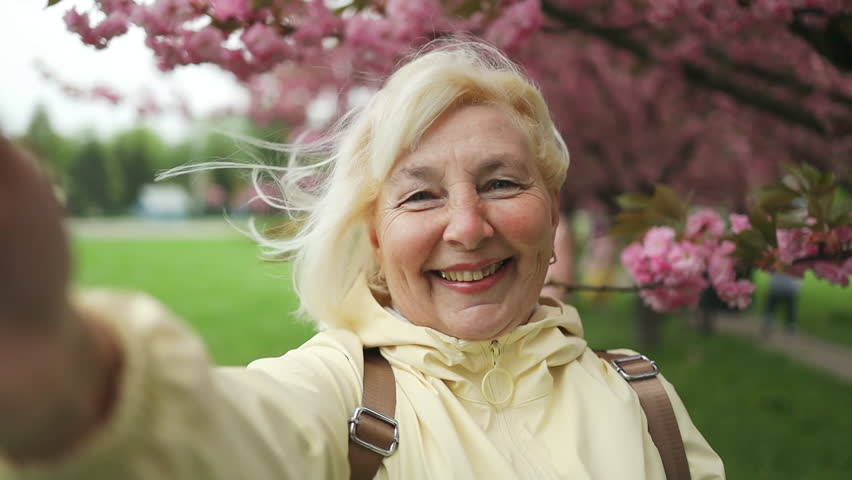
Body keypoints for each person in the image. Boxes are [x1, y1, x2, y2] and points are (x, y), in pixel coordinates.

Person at [0, 41, 725, 479]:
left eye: (502, 183)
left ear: (552, 209)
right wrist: (71, 385)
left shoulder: (644, 399)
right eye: (419, 198)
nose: (467, 227)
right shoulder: (343, 395)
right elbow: (219, 437)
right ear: (374, 238)